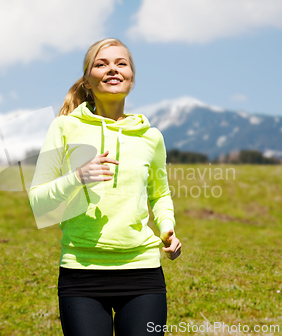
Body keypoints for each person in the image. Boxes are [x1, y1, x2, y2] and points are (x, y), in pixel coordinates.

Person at [28, 38, 181, 336]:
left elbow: (160, 194)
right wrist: (77, 177)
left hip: (143, 273)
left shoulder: (152, 137)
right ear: (87, 79)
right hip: (81, 274)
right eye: (101, 63)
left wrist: (168, 227)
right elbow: (38, 202)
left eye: (120, 63)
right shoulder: (63, 127)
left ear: (132, 78)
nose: (112, 69)